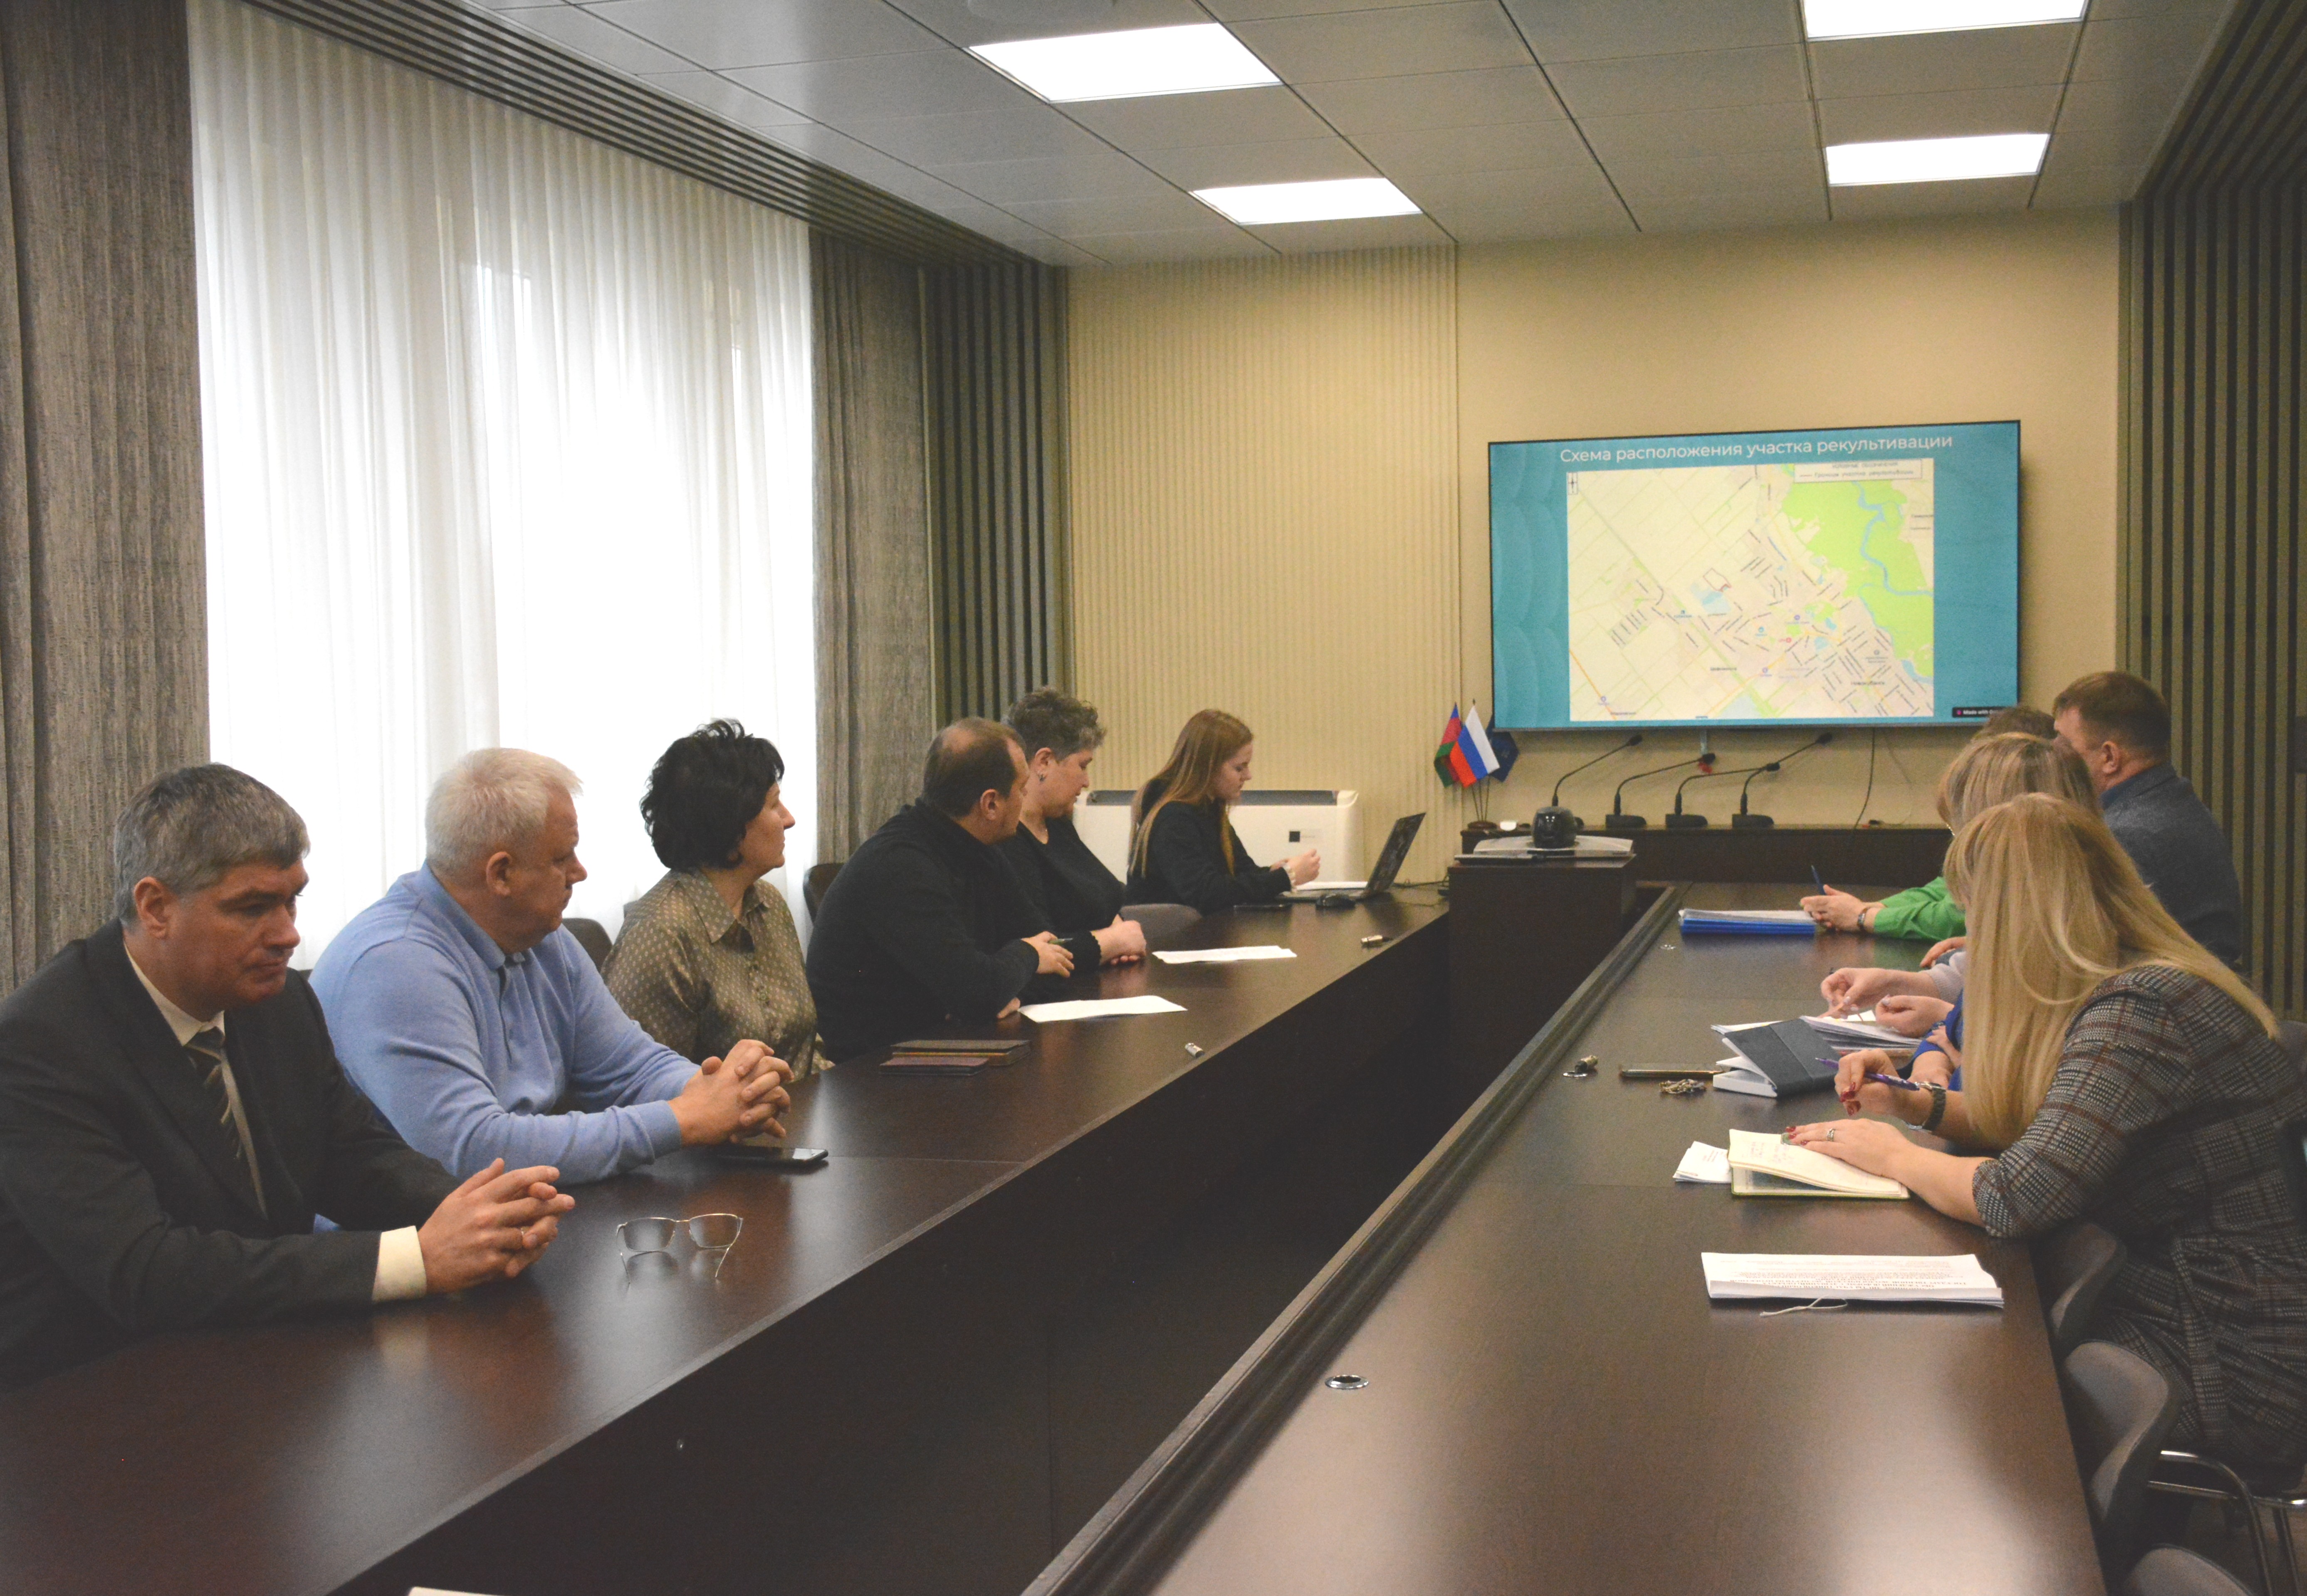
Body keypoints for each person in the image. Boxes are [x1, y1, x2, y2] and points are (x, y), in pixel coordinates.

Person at [0, 765, 575, 1389]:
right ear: (156, 907)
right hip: (92, 1394)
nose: (287, 934)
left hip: (264, 1357)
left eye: (291, 900)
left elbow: (352, 1155)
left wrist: (478, 1215)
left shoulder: (278, 1001)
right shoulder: (41, 1044)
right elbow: (146, 1271)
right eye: (252, 908)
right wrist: (417, 1259)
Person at [1793, 794, 2307, 1469]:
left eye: (1978, 914)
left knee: (1941, 1386)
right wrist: (1914, 1105)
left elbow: (2017, 1196)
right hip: (2184, 1308)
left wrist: (1893, 1156)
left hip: (2225, 1360)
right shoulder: (2131, 980)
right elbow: (2045, 1128)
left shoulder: (2141, 1010)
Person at [313, 749, 790, 1184]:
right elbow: (473, 1152)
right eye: (562, 858)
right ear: (501, 873)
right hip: (412, 1237)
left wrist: (724, 1092)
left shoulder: (542, 937)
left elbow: (627, 1067)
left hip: (522, 1216)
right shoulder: (396, 965)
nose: (580, 872)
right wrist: (684, 1118)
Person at [805, 720, 1076, 1060]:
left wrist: (1003, 988)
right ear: (990, 804)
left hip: (947, 1046)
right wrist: (1026, 956)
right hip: (874, 1070)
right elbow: (981, 989)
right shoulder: (899, 865)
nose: (1025, 799)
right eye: (1022, 789)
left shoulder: (982, 849)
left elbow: (1054, 960)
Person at [1817, 730, 2097, 1038]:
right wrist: (1892, 982)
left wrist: (1950, 1022)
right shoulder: (2023, 899)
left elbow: (2049, 1036)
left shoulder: (2078, 924)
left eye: (1958, 829)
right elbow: (1975, 975)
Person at [604, 721, 824, 1083]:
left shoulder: (767, 903)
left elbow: (805, 1052)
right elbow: (636, 1083)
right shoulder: (660, 932)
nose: (789, 819)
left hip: (801, 1111)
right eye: (774, 805)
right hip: (720, 1122)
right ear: (731, 826)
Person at [1800, 705, 2055, 936]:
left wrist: (1863, 917)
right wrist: (1869, 908)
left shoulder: (2034, 845)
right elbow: (1949, 889)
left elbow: (1955, 916)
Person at [2053, 670, 2246, 967]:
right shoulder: (2174, 798)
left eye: (2065, 747)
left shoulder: (2125, 834)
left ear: (2109, 757)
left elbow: (2090, 960)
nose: (2053, 756)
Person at [999, 688, 1146, 968]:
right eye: (1083, 765)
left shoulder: (1058, 825)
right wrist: (1112, 942)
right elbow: (1037, 947)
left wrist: (1117, 930)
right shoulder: (1008, 840)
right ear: (1044, 762)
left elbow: (1104, 897)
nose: (1087, 782)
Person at [1126, 710, 1318, 913]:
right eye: (1239, 768)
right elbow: (1206, 894)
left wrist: (1273, 873)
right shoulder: (1173, 818)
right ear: (1208, 768)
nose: (1248, 776)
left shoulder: (1209, 808)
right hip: (1172, 931)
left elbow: (1240, 871)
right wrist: (1285, 878)